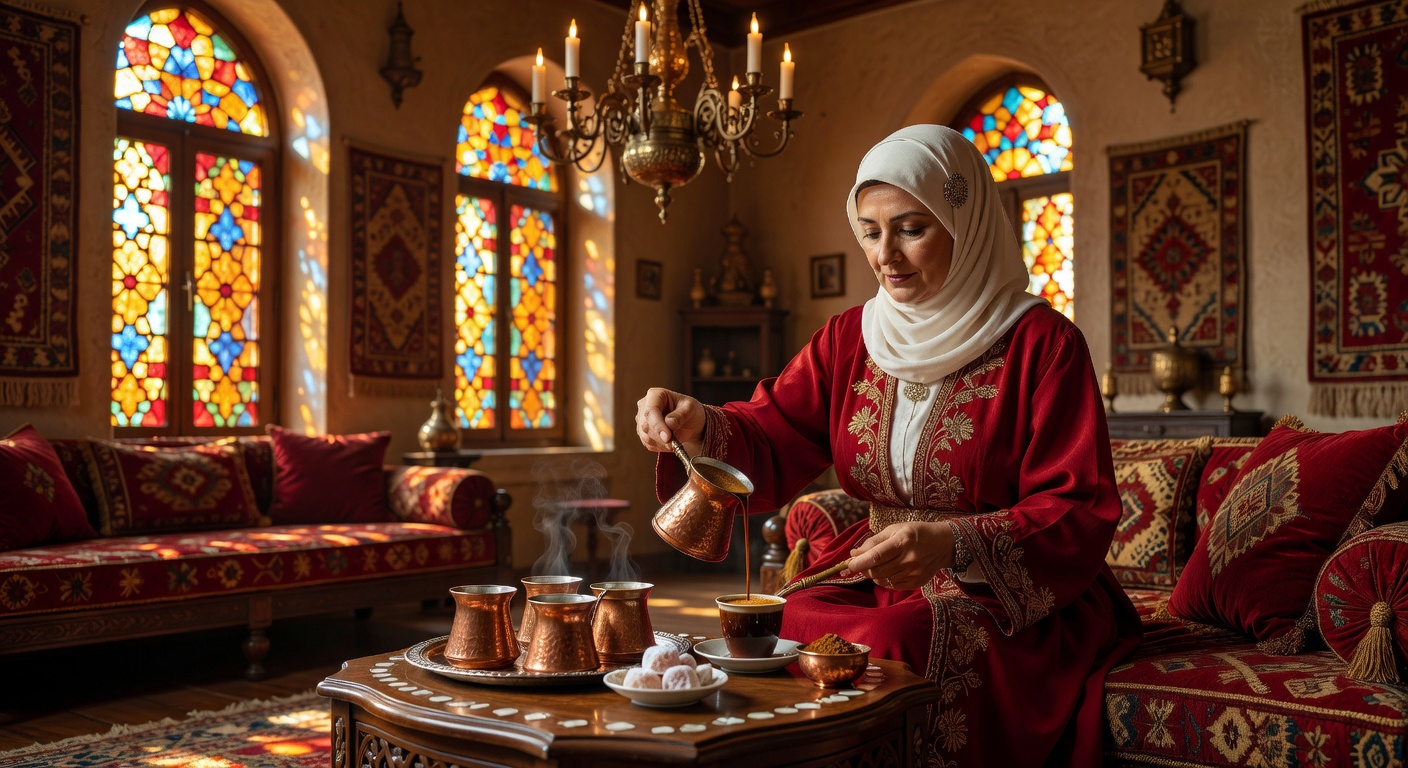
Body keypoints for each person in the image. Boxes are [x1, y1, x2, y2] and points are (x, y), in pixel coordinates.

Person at [636, 124, 1141, 767]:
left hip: (1006, 595)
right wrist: (697, 423)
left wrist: (952, 544)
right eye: (870, 232)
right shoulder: (853, 337)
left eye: (910, 229)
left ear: (967, 224)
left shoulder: (1043, 344)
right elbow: (773, 428)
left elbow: (1078, 505)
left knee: (893, 636)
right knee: (791, 615)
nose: (885, 255)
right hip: (881, 572)